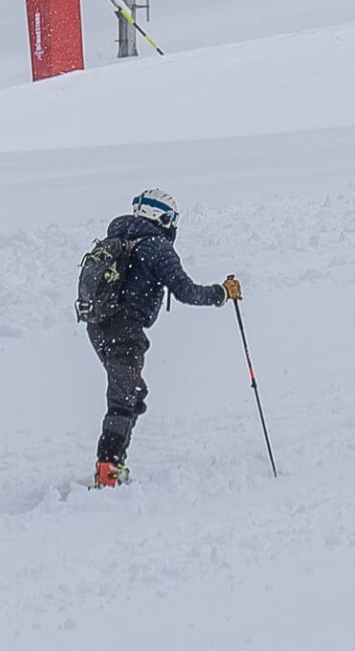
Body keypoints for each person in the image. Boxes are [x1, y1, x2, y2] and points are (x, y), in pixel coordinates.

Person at [83, 189, 241, 487]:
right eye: (173, 219)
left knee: (130, 393)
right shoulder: (156, 246)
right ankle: (109, 471)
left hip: (99, 326)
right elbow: (186, 292)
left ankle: (111, 466)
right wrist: (221, 292)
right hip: (124, 328)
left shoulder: (118, 239)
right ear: (162, 217)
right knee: (125, 398)